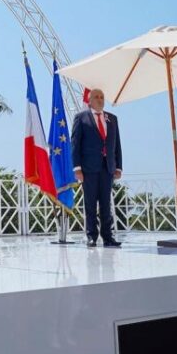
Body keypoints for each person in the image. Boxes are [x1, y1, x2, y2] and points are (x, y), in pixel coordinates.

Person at [70, 88, 123, 248]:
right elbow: (75, 144)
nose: (100, 100)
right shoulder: (81, 118)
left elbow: (117, 144)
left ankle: (108, 237)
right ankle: (91, 236)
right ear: (90, 100)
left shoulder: (112, 119)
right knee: (91, 203)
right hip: (88, 168)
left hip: (108, 168)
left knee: (106, 203)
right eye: (96, 97)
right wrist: (77, 168)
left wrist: (118, 166)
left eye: (102, 97)